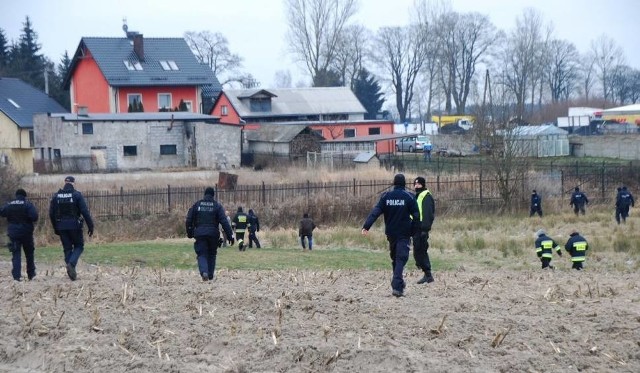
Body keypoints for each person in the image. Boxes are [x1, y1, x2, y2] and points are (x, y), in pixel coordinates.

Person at [362, 174, 419, 297]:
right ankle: (397, 287)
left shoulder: (386, 197)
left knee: (396, 258)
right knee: (400, 259)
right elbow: (417, 216)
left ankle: (398, 283)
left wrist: (366, 226)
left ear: (394, 183)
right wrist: (414, 230)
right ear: (404, 184)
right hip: (404, 233)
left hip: (391, 233)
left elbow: (375, 212)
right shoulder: (409, 197)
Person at [49, 176, 94, 281]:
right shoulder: (77, 195)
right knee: (79, 246)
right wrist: (90, 226)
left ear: (64, 183)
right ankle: (71, 264)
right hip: (74, 225)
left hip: (61, 226)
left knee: (67, 248)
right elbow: (85, 212)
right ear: (73, 183)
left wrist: (55, 227)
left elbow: (51, 213)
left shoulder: (56, 196)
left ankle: (71, 270)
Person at [185, 187, 234, 281]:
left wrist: (190, 232)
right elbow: (224, 221)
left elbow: (189, 219)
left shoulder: (197, 204)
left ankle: (204, 272)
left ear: (204, 194)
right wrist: (230, 235)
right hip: (213, 234)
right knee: (212, 254)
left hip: (199, 233)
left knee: (202, 254)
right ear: (213, 195)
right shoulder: (217, 206)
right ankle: (210, 275)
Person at [0, 189, 39, 281]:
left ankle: (17, 276)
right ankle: (31, 274)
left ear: (16, 195)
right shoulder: (28, 204)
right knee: (29, 253)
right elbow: (34, 217)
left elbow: (2, 212)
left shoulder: (9, 204)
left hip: (13, 233)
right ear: (24, 196)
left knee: (16, 254)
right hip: (26, 233)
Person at [412, 176, 435, 284]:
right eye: (415, 184)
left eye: (418, 184)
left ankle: (428, 274)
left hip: (422, 229)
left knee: (421, 251)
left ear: (423, 185)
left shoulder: (426, 196)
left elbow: (428, 214)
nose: (416, 185)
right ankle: (426, 272)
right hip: (416, 228)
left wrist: (425, 229)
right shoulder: (417, 196)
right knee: (417, 251)